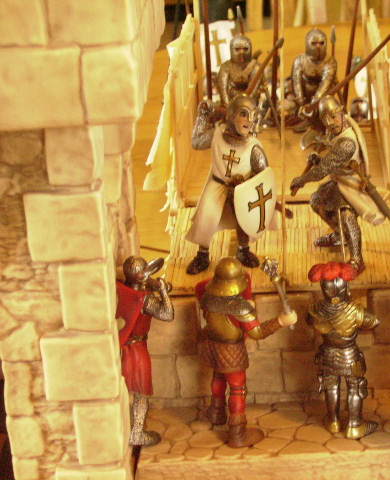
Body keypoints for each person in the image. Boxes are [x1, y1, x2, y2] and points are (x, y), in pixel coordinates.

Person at [196, 257, 297, 447]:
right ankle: (238, 433)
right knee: (237, 388)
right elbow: (256, 332)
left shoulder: (208, 299)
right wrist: (281, 321)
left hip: (213, 347)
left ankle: (216, 412)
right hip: (232, 350)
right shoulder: (240, 308)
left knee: (218, 376)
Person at [290, 95, 386, 273]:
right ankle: (339, 235)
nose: (330, 123)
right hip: (339, 179)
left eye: (333, 117)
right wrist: (318, 159)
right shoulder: (336, 130)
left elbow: (323, 170)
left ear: (341, 114)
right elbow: (329, 159)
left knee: (346, 215)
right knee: (317, 201)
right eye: (326, 119)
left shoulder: (347, 144)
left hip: (351, 184)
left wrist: (301, 180)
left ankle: (357, 260)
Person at [186, 94, 272, 274]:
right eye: (243, 114)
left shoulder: (253, 147)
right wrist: (202, 116)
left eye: (252, 115)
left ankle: (243, 250)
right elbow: (196, 142)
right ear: (232, 115)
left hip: (241, 191)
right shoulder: (217, 135)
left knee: (244, 220)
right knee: (206, 218)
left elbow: (263, 174)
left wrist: (247, 183)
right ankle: (202, 255)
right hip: (217, 185)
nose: (249, 121)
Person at [306, 261, 380, 439]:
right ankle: (355, 426)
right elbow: (374, 321)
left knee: (331, 386)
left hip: (327, 355)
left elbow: (309, 320)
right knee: (355, 388)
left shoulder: (316, 310)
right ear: (345, 287)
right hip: (349, 355)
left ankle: (333, 422)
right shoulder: (355, 311)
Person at [116, 256, 174, 446]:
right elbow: (167, 314)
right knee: (142, 391)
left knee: (124, 389)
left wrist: (154, 286)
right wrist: (163, 292)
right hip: (136, 349)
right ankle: (137, 433)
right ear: (140, 276)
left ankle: (125, 429)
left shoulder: (120, 288)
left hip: (120, 345)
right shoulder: (145, 300)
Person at [291, 28, 337, 132]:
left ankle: (323, 123)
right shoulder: (300, 61)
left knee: (328, 105)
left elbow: (325, 83)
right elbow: (296, 82)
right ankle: (306, 121)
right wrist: (301, 100)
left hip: (323, 96)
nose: (318, 46)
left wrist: (314, 103)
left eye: (321, 43)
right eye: (314, 43)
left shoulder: (330, 62)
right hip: (305, 95)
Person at [217, 35, 262, 106]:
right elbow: (223, 91)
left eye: (245, 49)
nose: (242, 52)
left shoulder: (256, 66)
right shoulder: (226, 66)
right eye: (237, 49)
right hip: (232, 101)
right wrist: (227, 106)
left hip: (252, 102)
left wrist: (246, 104)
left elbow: (253, 89)